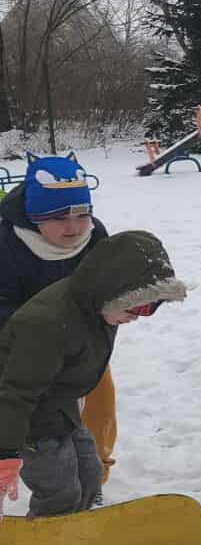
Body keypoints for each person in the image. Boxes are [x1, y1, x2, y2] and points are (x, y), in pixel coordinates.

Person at [0, 230, 187, 517]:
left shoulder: (99, 308)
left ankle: (81, 526)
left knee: (90, 474)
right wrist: (6, 453)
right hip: (26, 420)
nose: (138, 316)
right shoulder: (47, 323)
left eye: (152, 307)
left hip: (59, 407)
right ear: (109, 290)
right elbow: (16, 392)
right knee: (60, 491)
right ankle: (49, 536)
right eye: (137, 305)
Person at [0, 155, 117, 482]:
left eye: (82, 215)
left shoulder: (95, 235)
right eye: (59, 218)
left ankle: (97, 470)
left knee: (100, 395)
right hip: (25, 348)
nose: (74, 227)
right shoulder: (7, 244)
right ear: (35, 216)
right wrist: (41, 332)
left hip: (83, 340)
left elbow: (109, 282)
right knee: (32, 410)